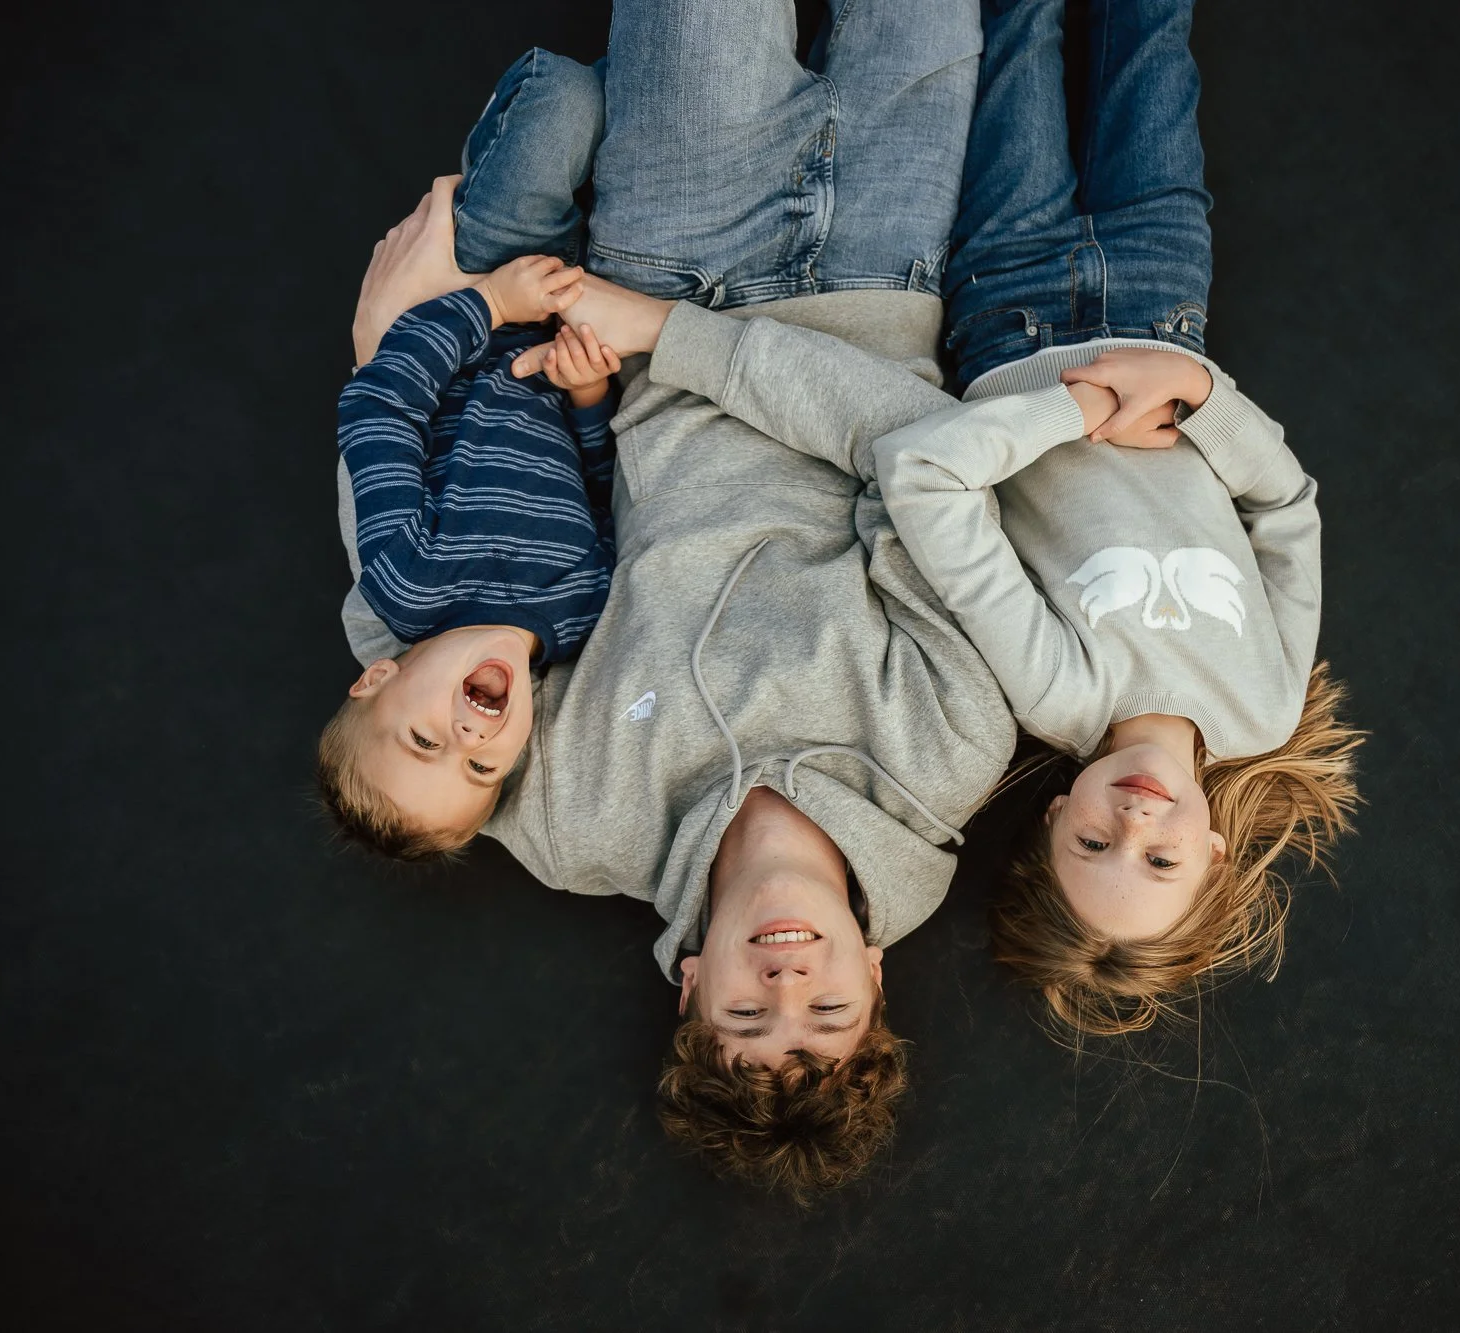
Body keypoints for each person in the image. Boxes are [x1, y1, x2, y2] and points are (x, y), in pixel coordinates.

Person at [339, 0, 1012, 1199]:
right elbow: (925, 455)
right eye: (825, 1015)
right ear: (874, 973)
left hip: (670, 245)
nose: (786, 983)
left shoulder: (568, 824)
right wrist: (674, 340)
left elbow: (409, 653)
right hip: (885, 262)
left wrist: (379, 349)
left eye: (748, 1015)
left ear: (691, 989)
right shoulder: (946, 753)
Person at [869, 0, 1366, 1036]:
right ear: (1213, 850)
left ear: (1053, 817)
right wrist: (1190, 391)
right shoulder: (1261, 704)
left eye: (1091, 845)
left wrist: (1079, 406)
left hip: (1008, 310)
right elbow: (1284, 507)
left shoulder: (1055, 688)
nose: (1131, 819)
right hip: (1162, 297)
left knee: (1018, 45)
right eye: (1158, 856)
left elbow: (928, 483)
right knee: (1150, 46)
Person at [320, 203, 625, 860]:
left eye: (425, 741)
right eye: (482, 769)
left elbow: (381, 408)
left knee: (557, 124)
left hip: (473, 291)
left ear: (375, 678)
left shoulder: (407, 578)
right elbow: (603, 494)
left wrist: (487, 301)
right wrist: (591, 396)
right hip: (584, 320)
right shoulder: (579, 618)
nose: (468, 737)